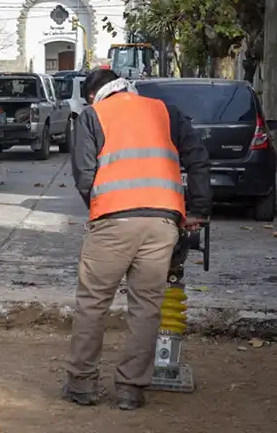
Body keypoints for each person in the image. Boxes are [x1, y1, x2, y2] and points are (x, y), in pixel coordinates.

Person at [65, 68, 211, 410]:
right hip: (162, 222)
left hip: (114, 220)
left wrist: (102, 208)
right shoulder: (163, 110)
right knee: (146, 308)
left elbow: (85, 175)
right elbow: (198, 158)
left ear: (92, 95)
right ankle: (130, 390)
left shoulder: (92, 115)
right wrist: (198, 209)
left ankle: (82, 385)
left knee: (93, 302)